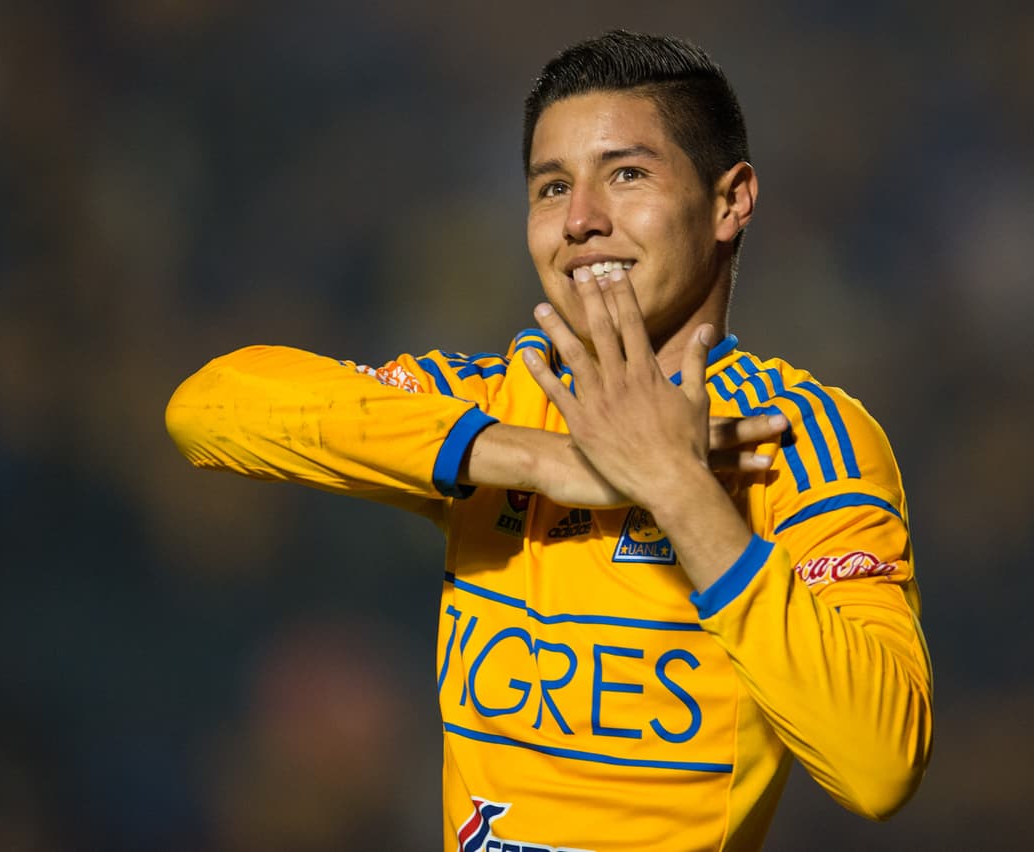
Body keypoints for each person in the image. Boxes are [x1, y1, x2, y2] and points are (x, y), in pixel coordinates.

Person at [166, 30, 932, 852]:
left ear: (730, 201)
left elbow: (878, 766)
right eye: (551, 187)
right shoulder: (496, 401)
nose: (579, 221)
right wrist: (549, 461)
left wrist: (676, 488)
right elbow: (209, 407)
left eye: (627, 174)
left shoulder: (798, 439)